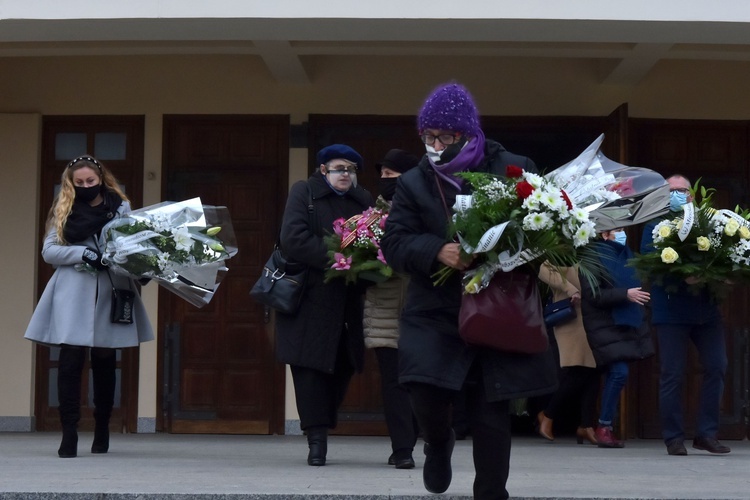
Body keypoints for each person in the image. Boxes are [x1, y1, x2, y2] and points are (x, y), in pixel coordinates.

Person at [381, 82, 557, 499]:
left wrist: (511, 249)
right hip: (435, 310)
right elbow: (394, 242)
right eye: (428, 136)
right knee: (423, 387)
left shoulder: (514, 168)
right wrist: (435, 249)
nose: (434, 145)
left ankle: (491, 492)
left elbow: (545, 225)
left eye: (444, 136)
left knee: (490, 409)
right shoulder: (413, 183)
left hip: (496, 309)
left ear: (467, 134)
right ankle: (438, 444)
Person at [24, 155, 154, 458]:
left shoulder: (120, 207)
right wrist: (83, 254)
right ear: (71, 183)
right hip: (74, 291)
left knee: (105, 362)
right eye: (78, 182)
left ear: (101, 178)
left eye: (90, 181)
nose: (84, 186)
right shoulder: (63, 208)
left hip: (111, 288)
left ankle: (102, 428)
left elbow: (133, 244)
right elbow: (49, 251)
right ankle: (68, 433)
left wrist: (144, 265)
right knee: (70, 361)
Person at [275, 144, 374, 466]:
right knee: (309, 372)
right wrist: (337, 259)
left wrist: (367, 265)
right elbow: (293, 238)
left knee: (344, 367)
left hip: (347, 302)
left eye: (351, 169)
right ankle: (316, 441)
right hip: (310, 300)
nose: (345, 174)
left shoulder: (364, 201)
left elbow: (375, 241)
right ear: (323, 170)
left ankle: (323, 424)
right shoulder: (305, 194)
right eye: (338, 168)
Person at [640, 174, 730, 456]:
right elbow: (649, 263)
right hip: (671, 313)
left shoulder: (710, 222)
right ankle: (673, 438)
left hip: (706, 311)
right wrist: (683, 279)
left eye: (682, 190)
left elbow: (724, 255)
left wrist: (725, 275)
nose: (678, 194)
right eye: (672, 191)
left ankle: (706, 434)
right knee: (673, 375)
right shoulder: (655, 225)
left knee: (717, 366)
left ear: (692, 195)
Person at [363, 148, 420, 469]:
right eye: (382, 175)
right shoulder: (371, 216)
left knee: (419, 382)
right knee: (393, 383)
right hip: (383, 310)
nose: (385, 181)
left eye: (391, 175)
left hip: (418, 311)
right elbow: (352, 254)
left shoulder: (426, 211)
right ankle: (403, 450)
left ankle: (415, 439)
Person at [580, 228, 654, 448]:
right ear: (604, 234)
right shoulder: (591, 257)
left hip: (626, 323)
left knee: (617, 373)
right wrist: (625, 294)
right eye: (617, 230)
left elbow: (641, 285)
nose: (622, 234)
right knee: (619, 372)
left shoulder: (628, 255)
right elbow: (593, 294)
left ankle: (603, 426)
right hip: (604, 323)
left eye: (623, 229)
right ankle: (604, 426)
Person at [537, 263, 600, 445]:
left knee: (593, 370)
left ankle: (586, 425)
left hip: (593, 317)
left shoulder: (591, 250)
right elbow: (544, 270)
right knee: (578, 371)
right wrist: (571, 289)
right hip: (571, 316)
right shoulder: (563, 246)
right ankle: (548, 415)